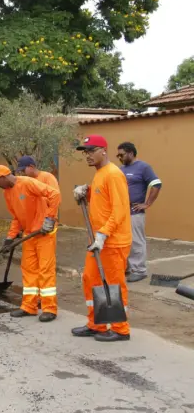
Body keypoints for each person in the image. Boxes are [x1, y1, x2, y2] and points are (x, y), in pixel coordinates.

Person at [73, 135, 132, 342]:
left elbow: (120, 210)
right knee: (90, 279)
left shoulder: (113, 174)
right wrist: (86, 193)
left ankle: (120, 328)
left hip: (113, 241)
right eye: (85, 152)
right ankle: (96, 324)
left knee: (114, 284)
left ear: (103, 151)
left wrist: (103, 233)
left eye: (91, 151)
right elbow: (102, 199)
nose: (87, 156)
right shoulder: (99, 174)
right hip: (99, 241)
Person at [0, 165, 61, 322]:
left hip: (44, 234)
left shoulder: (27, 183)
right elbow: (16, 217)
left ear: (3, 177)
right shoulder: (7, 193)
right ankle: (29, 306)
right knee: (28, 271)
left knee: (45, 270)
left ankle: (49, 309)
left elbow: (54, 194)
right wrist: (10, 238)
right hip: (29, 234)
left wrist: (50, 218)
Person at [16, 155, 61, 310]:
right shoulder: (24, 183)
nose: (22, 174)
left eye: (23, 170)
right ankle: (32, 302)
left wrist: (49, 220)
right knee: (31, 268)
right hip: (32, 229)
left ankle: (47, 302)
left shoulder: (47, 178)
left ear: (31, 166)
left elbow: (54, 198)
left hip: (46, 229)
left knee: (45, 267)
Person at [116, 142, 162, 283]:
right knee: (124, 241)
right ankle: (129, 268)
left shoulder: (143, 167)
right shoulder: (121, 169)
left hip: (135, 212)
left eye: (122, 155)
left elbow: (156, 184)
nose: (120, 157)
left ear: (130, 153)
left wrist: (147, 203)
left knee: (136, 241)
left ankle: (140, 270)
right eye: (118, 155)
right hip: (121, 212)